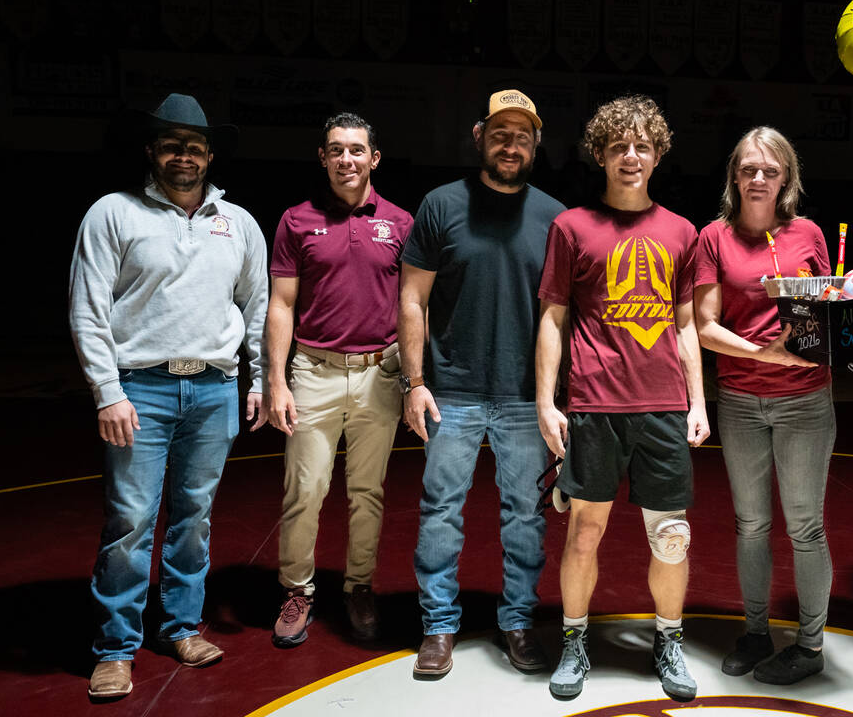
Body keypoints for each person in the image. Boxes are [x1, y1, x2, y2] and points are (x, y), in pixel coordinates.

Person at [69, 93, 268, 698]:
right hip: (141, 390)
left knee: (194, 518)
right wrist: (107, 391)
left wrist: (257, 379)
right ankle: (116, 647)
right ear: (151, 151)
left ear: (210, 156)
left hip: (214, 389)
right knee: (130, 520)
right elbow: (88, 309)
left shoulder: (239, 224)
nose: (184, 155)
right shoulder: (113, 213)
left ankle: (181, 626)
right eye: (172, 144)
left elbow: (255, 308)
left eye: (195, 146)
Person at [536, 95, 710, 701]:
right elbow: (553, 320)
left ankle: (669, 638)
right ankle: (574, 640)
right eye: (618, 147)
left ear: (657, 154)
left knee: (671, 536)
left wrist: (698, 403)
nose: (630, 156)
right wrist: (545, 402)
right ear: (601, 157)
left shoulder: (682, 232)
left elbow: (686, 324)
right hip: (594, 406)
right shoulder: (571, 227)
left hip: (662, 407)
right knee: (584, 533)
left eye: (640, 145)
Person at [399, 90, 564, 679]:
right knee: (441, 510)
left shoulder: (554, 217)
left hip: (525, 395)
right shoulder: (441, 205)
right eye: (500, 132)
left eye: (522, 134)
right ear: (479, 136)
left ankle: (517, 622)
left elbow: (559, 315)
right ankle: (438, 626)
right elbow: (413, 298)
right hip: (452, 391)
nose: (510, 143)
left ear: (536, 142)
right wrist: (414, 382)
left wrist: (554, 397)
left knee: (525, 514)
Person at [692, 126, 846, 686]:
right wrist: (767, 354)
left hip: (805, 402)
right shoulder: (713, 237)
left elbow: (825, 316)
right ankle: (756, 632)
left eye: (771, 170)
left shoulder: (808, 233)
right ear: (734, 175)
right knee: (751, 523)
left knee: (805, 526)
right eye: (749, 169)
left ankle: (809, 646)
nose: (759, 179)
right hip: (739, 399)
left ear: (787, 179)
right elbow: (704, 328)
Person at [265, 113, 412, 648]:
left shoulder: (400, 223)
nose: (346, 159)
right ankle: (297, 590)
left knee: (367, 493)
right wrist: (277, 381)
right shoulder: (296, 221)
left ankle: (358, 586)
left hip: (380, 374)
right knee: (305, 490)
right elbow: (281, 305)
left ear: (374, 158)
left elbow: (414, 306)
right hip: (314, 373)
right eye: (336, 150)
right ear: (322, 158)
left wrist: (415, 378)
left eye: (356, 150)